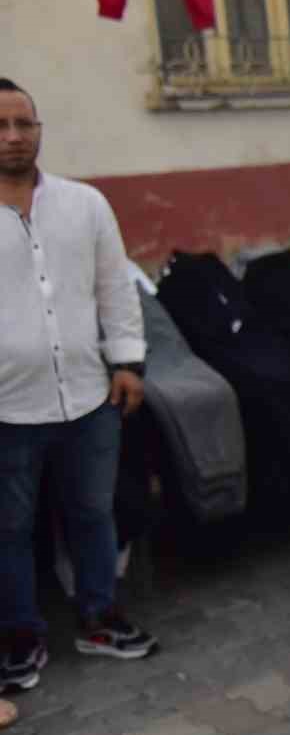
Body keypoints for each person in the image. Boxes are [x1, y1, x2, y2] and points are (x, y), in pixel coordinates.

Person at [1, 78, 158, 698]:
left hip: (90, 396)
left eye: (25, 123)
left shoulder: (85, 205)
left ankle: (99, 616)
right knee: (9, 528)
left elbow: (115, 288)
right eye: (2, 125)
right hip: (9, 406)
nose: (14, 137)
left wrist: (128, 363)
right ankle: (19, 634)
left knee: (93, 512)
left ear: (39, 129)